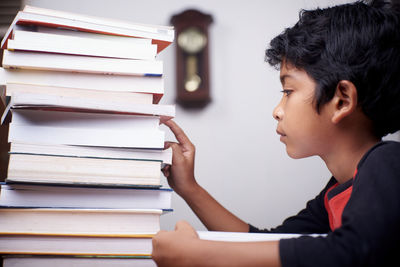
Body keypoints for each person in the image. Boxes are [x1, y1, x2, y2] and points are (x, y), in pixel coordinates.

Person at [152, 0, 400, 266]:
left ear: (341, 100)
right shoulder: (337, 190)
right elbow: (267, 243)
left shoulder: (388, 162)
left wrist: (200, 254)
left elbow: (351, 252)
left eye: (288, 92)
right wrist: (189, 188)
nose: (277, 111)